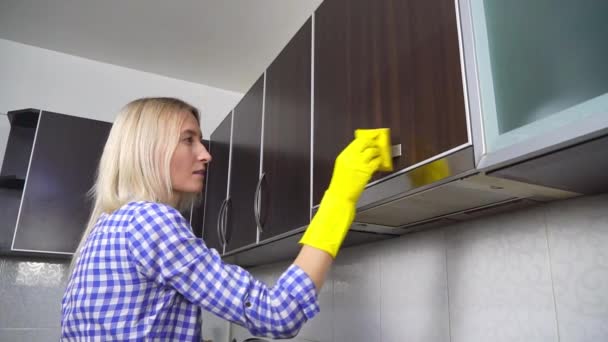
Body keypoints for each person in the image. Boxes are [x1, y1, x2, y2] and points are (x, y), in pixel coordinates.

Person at [61, 97, 382, 341]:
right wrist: (340, 198)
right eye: (188, 140)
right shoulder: (150, 221)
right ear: (148, 149)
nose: (205, 154)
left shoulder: (105, 228)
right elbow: (278, 313)